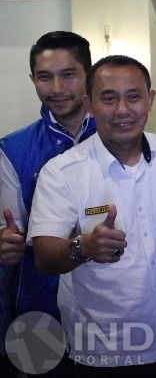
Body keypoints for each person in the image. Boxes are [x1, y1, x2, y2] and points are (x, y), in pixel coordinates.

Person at [27, 55, 156, 377]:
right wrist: (83, 247)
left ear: (151, 100)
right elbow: (45, 256)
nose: (122, 110)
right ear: (89, 104)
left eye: (134, 96)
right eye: (109, 98)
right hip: (106, 354)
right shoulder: (62, 172)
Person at [0, 31, 97, 374]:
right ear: (32, 79)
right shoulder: (12, 148)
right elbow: (11, 228)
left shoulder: (120, 137)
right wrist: (6, 243)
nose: (56, 88)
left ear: (89, 75)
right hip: (40, 307)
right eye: (44, 77)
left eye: (68, 75)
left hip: (111, 304)